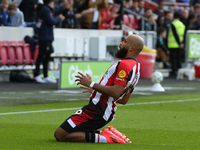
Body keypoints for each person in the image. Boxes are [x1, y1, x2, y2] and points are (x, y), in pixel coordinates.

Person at [54, 34, 144, 143]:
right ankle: (109, 134)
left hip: (98, 110)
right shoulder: (136, 68)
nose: (121, 43)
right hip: (103, 110)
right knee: (68, 132)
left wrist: (91, 84)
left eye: (124, 41)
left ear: (131, 48)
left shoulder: (125, 65)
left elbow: (116, 92)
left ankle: (107, 138)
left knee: (60, 134)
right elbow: (123, 99)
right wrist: (98, 92)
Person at [34, 0, 65, 83]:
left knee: (47, 56)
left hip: (47, 36)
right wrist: (59, 18)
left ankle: (45, 75)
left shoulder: (47, 9)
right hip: (44, 36)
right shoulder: (45, 10)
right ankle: (36, 75)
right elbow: (51, 21)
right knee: (41, 56)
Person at [167, 12, 186, 77]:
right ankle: (179, 72)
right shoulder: (182, 24)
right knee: (179, 58)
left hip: (173, 44)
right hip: (180, 45)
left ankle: (174, 72)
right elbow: (183, 35)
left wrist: (179, 43)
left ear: (173, 17)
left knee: (173, 59)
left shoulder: (173, 24)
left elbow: (175, 35)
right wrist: (182, 43)